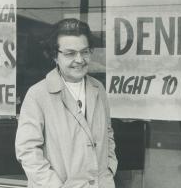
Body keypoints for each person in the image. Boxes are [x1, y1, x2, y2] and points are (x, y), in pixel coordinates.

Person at [15, 18, 117, 188]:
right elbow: (27, 151)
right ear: (55, 55)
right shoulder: (37, 95)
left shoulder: (98, 88)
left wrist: (109, 170)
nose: (79, 59)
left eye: (85, 51)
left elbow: (108, 134)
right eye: (70, 53)